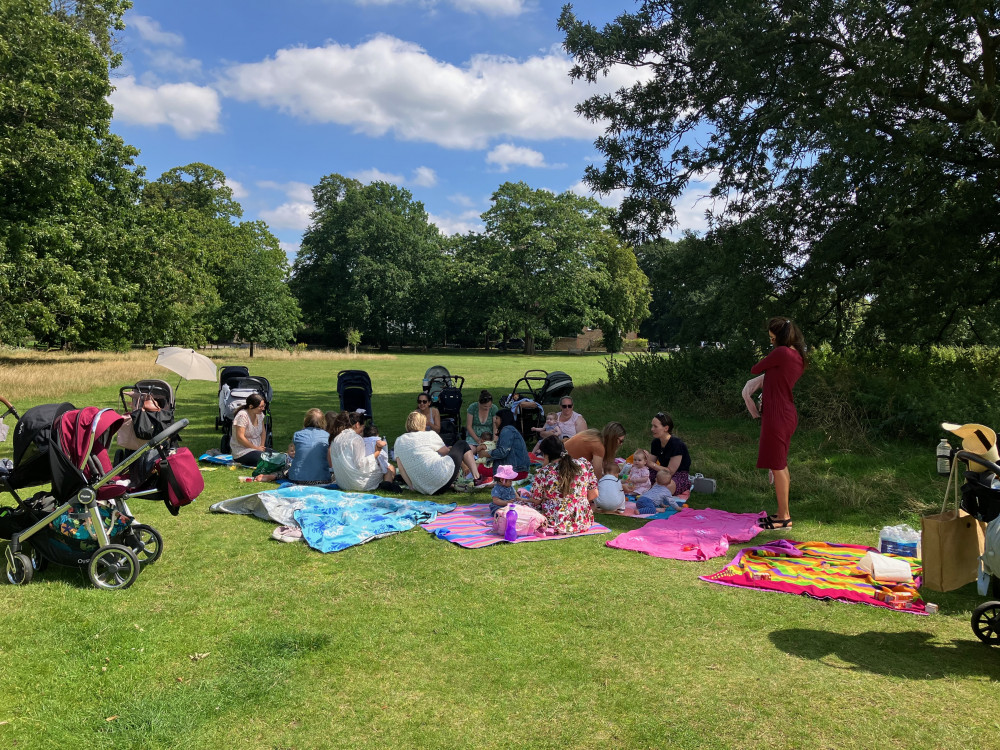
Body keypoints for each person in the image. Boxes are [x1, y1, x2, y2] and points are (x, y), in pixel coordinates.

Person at [751, 317, 806, 529]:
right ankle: (782, 513)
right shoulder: (796, 355)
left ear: (780, 337)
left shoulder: (781, 353)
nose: (771, 342)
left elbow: (756, 368)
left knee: (778, 465)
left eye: (773, 338)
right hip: (784, 413)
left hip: (778, 415)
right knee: (779, 465)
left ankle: (784, 517)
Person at [393, 411, 491, 494]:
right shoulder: (429, 435)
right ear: (423, 423)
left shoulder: (399, 441)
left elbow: (401, 468)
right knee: (462, 444)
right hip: (442, 478)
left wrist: (412, 486)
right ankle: (477, 478)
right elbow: (445, 452)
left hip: (424, 488)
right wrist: (454, 450)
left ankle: (457, 484)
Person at [525, 435, 597, 534]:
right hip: (582, 520)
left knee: (524, 505)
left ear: (546, 455)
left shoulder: (544, 472)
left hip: (555, 520)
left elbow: (536, 500)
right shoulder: (584, 464)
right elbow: (594, 494)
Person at [254, 408, 331, 484]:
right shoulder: (327, 436)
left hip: (297, 478)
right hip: (322, 478)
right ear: (323, 422)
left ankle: (273, 476)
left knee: (287, 468)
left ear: (306, 420)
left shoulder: (298, 435)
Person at [328, 412, 395, 492]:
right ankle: (387, 484)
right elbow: (360, 463)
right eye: (362, 427)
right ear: (357, 424)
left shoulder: (336, 438)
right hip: (356, 484)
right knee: (389, 468)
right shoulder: (356, 439)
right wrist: (376, 454)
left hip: (342, 482)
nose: (362, 430)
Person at [648, 412, 692, 495]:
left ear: (666, 428)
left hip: (678, 473)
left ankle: (685, 484)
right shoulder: (656, 442)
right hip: (662, 471)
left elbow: (670, 471)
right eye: (652, 426)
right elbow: (650, 463)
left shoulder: (676, 444)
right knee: (640, 477)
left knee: (667, 486)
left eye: (655, 426)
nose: (652, 429)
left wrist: (651, 464)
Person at [488, 408, 531, 478]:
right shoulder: (509, 430)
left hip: (516, 471)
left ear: (503, 419)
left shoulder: (507, 430)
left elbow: (502, 452)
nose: (495, 421)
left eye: (497, 418)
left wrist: (487, 453)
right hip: (518, 469)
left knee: (480, 468)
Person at [231, 393, 269, 467]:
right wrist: (256, 448)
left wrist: (261, 446)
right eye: (260, 407)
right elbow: (240, 438)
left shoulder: (260, 414)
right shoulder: (242, 415)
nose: (263, 409)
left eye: (263, 406)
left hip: (257, 448)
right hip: (242, 451)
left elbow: (263, 432)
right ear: (251, 406)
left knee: (277, 456)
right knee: (266, 460)